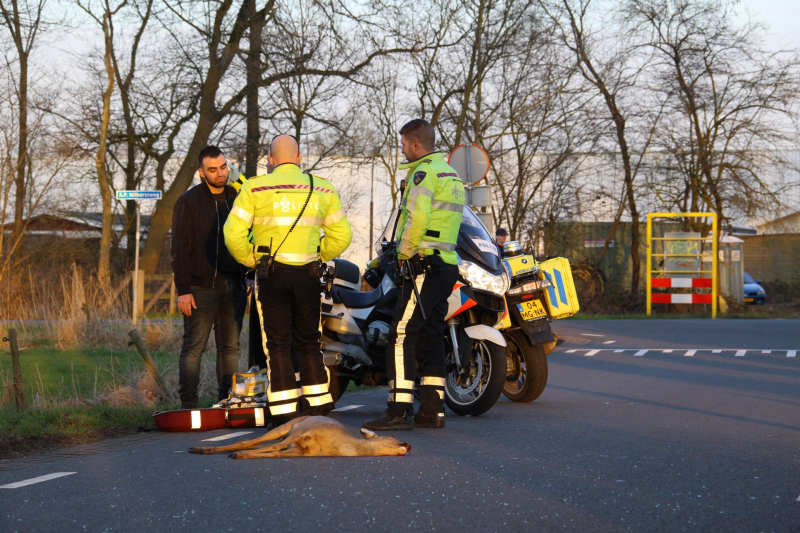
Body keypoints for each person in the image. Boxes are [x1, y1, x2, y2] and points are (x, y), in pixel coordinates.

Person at [224, 135, 352, 426]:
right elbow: (342, 235)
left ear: (270, 159)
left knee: (277, 344)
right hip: (307, 274)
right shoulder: (321, 188)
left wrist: (250, 260)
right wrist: (319, 254)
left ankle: (284, 411)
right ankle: (319, 406)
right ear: (299, 157)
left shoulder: (254, 188)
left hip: (271, 275)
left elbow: (232, 234)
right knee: (309, 340)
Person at [363, 118, 465, 431]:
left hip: (423, 264)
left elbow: (416, 218)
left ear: (416, 145)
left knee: (401, 333)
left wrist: (403, 254)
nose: (403, 150)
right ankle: (432, 411)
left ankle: (399, 410)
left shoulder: (423, 174)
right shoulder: (451, 173)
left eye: (404, 144)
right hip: (445, 264)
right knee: (431, 333)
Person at [172, 145, 248, 409]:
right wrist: (183, 289)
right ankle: (189, 406)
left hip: (234, 286)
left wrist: (247, 278)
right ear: (201, 172)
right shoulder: (188, 201)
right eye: (213, 169)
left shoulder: (239, 198)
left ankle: (227, 401)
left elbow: (249, 238)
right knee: (194, 348)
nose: (220, 174)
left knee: (230, 348)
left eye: (224, 167)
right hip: (199, 287)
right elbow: (179, 249)